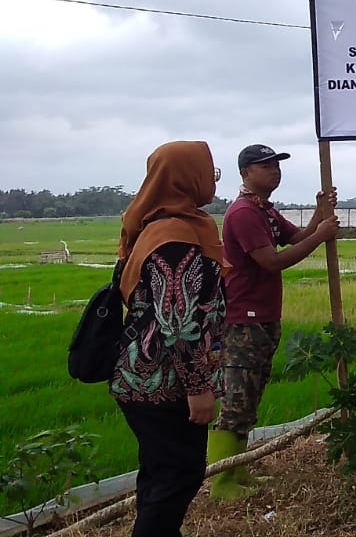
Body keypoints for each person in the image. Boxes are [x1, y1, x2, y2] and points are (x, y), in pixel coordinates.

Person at [211, 144, 339, 501]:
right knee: (236, 401)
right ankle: (222, 483)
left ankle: (238, 471)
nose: (274, 171)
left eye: (276, 165)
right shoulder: (243, 214)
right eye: (265, 166)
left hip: (264, 318)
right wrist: (322, 234)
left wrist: (318, 215)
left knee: (250, 398)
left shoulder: (263, 210)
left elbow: (296, 237)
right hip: (244, 320)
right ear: (245, 174)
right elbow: (273, 262)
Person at [112, 141, 227, 536]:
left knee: (162, 475)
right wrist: (199, 388)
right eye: (208, 171)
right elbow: (176, 322)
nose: (212, 180)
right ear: (186, 177)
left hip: (145, 377)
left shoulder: (155, 224)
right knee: (179, 474)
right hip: (164, 382)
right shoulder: (174, 235)